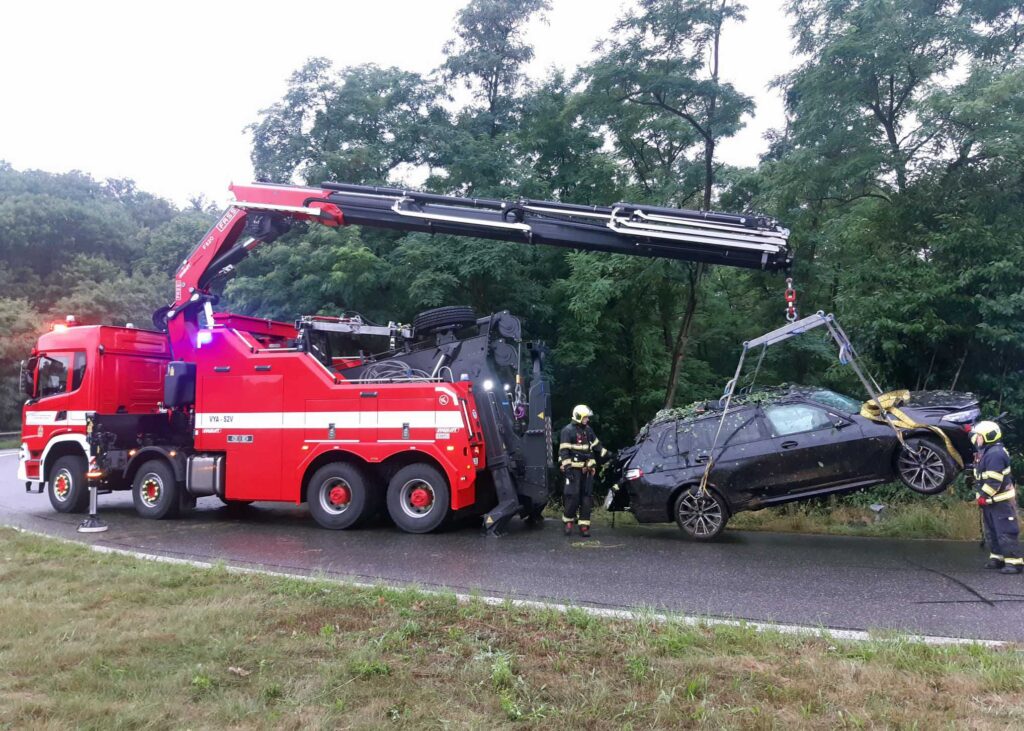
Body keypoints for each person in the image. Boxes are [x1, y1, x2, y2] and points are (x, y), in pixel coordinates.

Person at [972, 420, 1021, 574]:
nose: (976, 439)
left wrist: (984, 495)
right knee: (991, 531)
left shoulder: (995, 454)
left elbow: (994, 481)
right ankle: (997, 558)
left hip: (1001, 502)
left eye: (979, 436)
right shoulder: (987, 450)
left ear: (988, 436)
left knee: (1005, 531)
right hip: (990, 502)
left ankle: (1014, 563)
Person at [558, 404, 610, 538]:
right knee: (572, 496)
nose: (587, 419)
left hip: (587, 470)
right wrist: (567, 468)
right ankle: (568, 521)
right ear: (578, 416)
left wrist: (609, 454)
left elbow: (597, 446)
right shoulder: (567, 431)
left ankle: (584, 525)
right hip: (573, 470)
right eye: (585, 417)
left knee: (586, 498)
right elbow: (564, 452)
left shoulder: (588, 430)